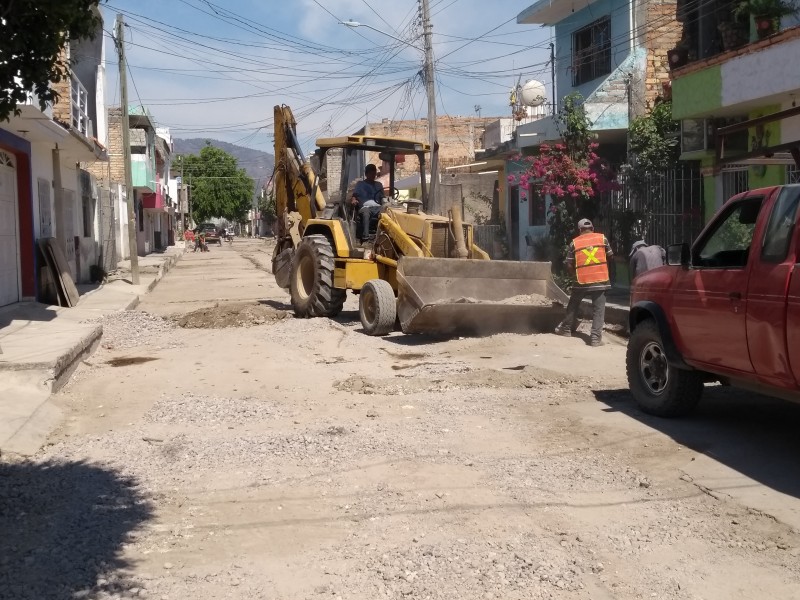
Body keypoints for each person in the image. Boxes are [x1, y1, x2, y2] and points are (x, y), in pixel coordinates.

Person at [555, 218, 614, 347]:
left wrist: (574, 275)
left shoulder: (574, 243)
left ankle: (566, 329)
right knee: (598, 310)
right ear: (592, 228)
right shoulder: (602, 238)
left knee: (573, 305)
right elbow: (610, 256)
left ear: (580, 230)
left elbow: (569, 264)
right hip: (600, 278)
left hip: (581, 279)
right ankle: (595, 338)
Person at [350, 163, 385, 242]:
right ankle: (365, 237)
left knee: (387, 213)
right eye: (371, 173)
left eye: (374, 173)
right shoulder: (360, 184)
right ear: (366, 174)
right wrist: (353, 200)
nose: (373, 175)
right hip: (365, 207)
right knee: (366, 213)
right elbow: (354, 195)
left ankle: (382, 237)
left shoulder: (379, 185)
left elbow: (383, 197)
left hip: (378, 207)